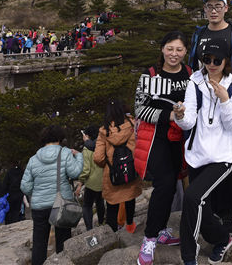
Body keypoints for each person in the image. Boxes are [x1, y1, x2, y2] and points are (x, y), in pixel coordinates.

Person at [173, 40, 232, 265]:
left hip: (224, 156)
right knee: (200, 205)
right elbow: (190, 122)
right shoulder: (195, 81)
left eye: (217, 60)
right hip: (198, 154)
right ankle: (223, 239)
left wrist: (224, 99)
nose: (212, 65)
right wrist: (181, 115)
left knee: (192, 197)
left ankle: (188, 258)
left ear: (226, 61)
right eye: (207, 60)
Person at [133, 31, 192, 265]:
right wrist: (169, 115)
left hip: (181, 140)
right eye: (170, 48)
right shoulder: (150, 75)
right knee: (164, 184)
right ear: (162, 49)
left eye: (179, 49)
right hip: (156, 139)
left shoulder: (190, 75)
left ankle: (161, 230)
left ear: (185, 51)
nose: (174, 54)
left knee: (173, 185)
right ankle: (149, 238)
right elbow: (139, 109)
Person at [20, 124, 82, 265]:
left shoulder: (34, 159)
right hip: (61, 204)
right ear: (59, 138)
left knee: (39, 243)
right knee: (63, 241)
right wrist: (79, 156)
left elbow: (25, 186)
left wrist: (36, 194)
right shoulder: (65, 153)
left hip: (39, 207)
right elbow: (75, 173)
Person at [93, 99, 142, 234]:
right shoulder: (132, 124)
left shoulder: (104, 131)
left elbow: (98, 157)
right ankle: (130, 226)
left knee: (112, 205)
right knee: (130, 198)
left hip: (113, 174)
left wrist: (106, 165)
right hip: (131, 170)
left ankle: (113, 234)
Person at [187, 0, 232, 72]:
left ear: (226, 8)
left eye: (218, 6)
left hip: (229, 83)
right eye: (209, 6)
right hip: (202, 82)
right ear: (205, 8)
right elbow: (192, 63)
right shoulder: (198, 34)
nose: (213, 11)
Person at [76, 126, 105, 232]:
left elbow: (86, 169)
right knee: (100, 202)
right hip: (102, 180)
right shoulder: (101, 145)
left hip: (91, 182)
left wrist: (80, 183)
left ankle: (89, 228)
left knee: (87, 205)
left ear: (87, 136)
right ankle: (102, 223)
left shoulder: (87, 148)